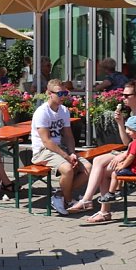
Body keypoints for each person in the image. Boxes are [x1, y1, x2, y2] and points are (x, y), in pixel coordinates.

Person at [68, 116, 136, 223]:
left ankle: (96, 204)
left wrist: (123, 159)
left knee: (103, 170)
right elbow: (126, 143)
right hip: (129, 156)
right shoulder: (135, 135)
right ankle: (99, 206)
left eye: (127, 97)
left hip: (133, 162)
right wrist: (120, 123)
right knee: (98, 161)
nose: (124, 99)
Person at [31, 79, 91, 216]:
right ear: (49, 93)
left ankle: (59, 195)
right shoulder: (42, 112)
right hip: (42, 151)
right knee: (68, 169)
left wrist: (72, 152)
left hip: (60, 148)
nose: (63, 96)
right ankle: (68, 201)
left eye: (65, 93)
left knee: (88, 168)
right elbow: (46, 141)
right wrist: (66, 156)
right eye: (60, 93)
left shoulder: (64, 110)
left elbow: (68, 135)